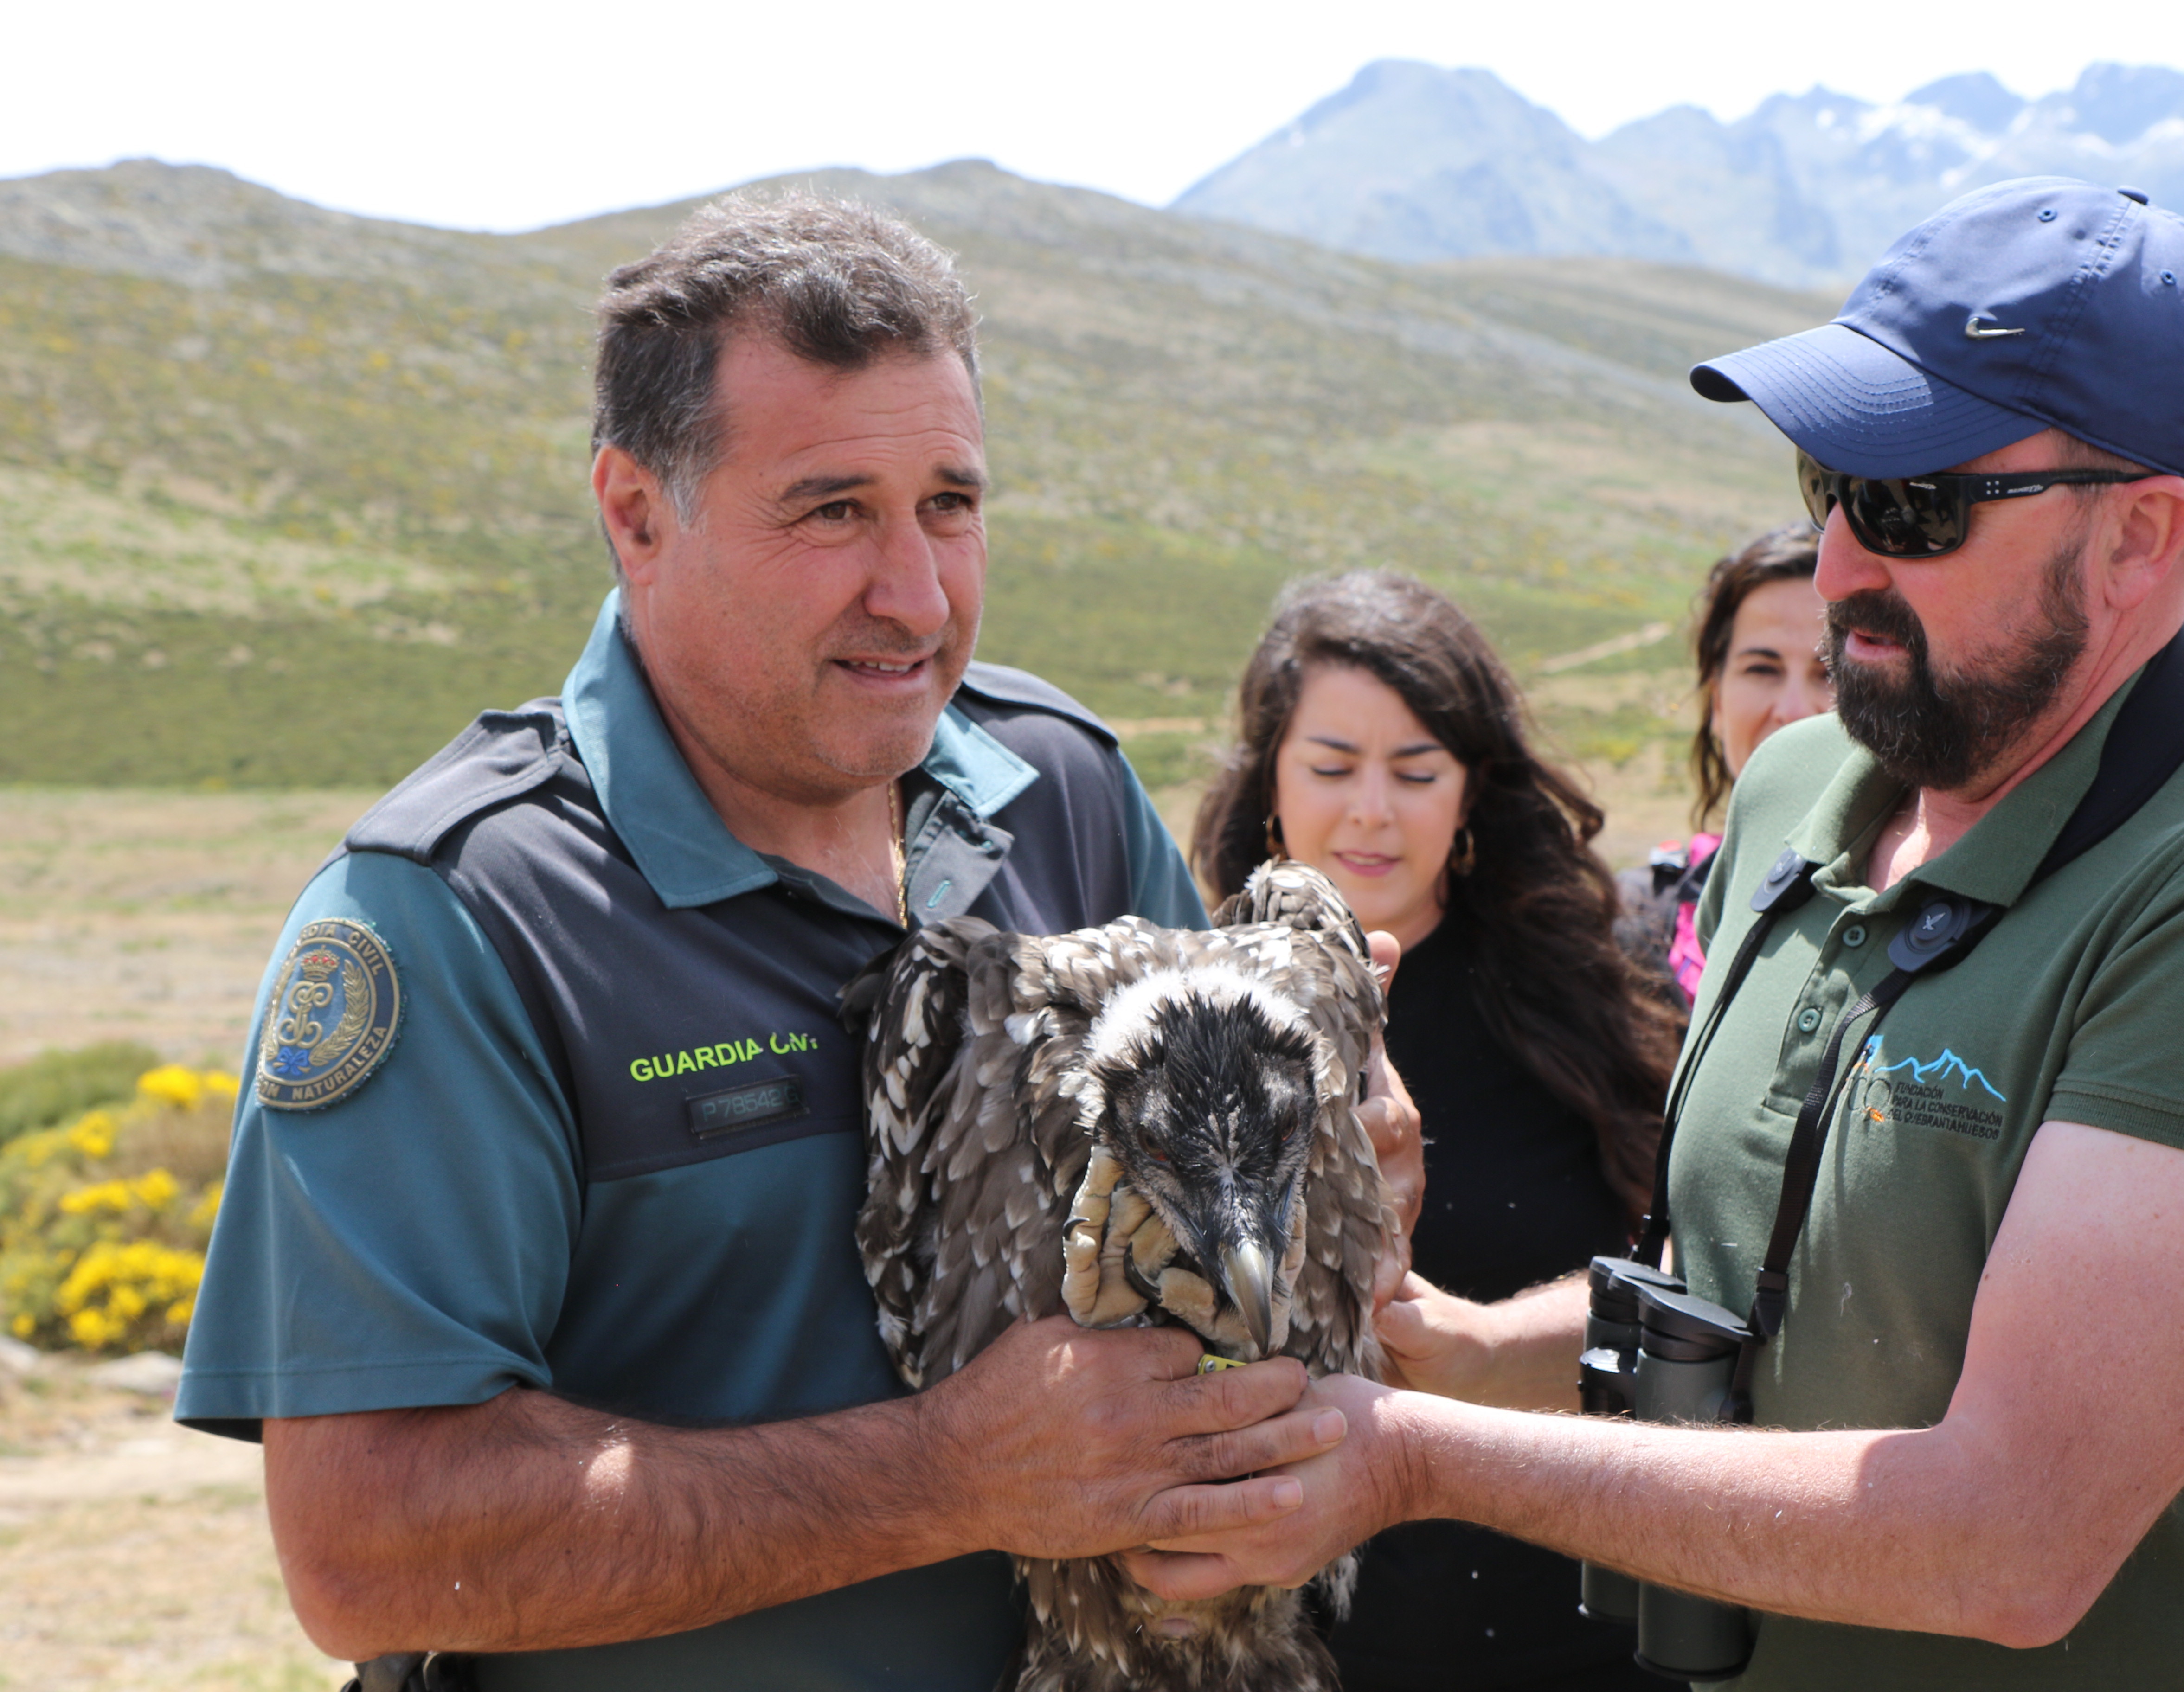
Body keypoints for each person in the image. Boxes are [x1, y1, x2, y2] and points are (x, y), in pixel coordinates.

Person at [1125, 177, 2184, 1691]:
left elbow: (2002, 1537)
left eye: (1909, 505)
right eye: (1829, 481)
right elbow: (1748, 1281)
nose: (1834, 567)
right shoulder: (1803, 791)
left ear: (2139, 537)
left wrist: (1416, 1458)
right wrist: (1447, 1341)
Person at [172, 194, 1418, 1690]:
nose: (917, 595)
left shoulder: (1065, 796)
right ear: (637, 512)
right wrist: (942, 1474)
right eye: (832, 510)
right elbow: (367, 1552)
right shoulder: (461, 915)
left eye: (950, 504)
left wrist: (1330, 1199)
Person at [1191, 571, 1679, 1692]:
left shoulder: (1604, 1004)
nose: (1371, 810)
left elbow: (1686, 1272)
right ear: (1267, 780)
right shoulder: (1183, 1023)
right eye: (1330, 767)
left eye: (1416, 773)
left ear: (1471, 793)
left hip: (1593, 1635)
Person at [1615, 524, 1829, 1006]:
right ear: (1717, 701)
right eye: (1762, 669)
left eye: (1833, 671)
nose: (1793, 710)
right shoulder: (1632, 921)